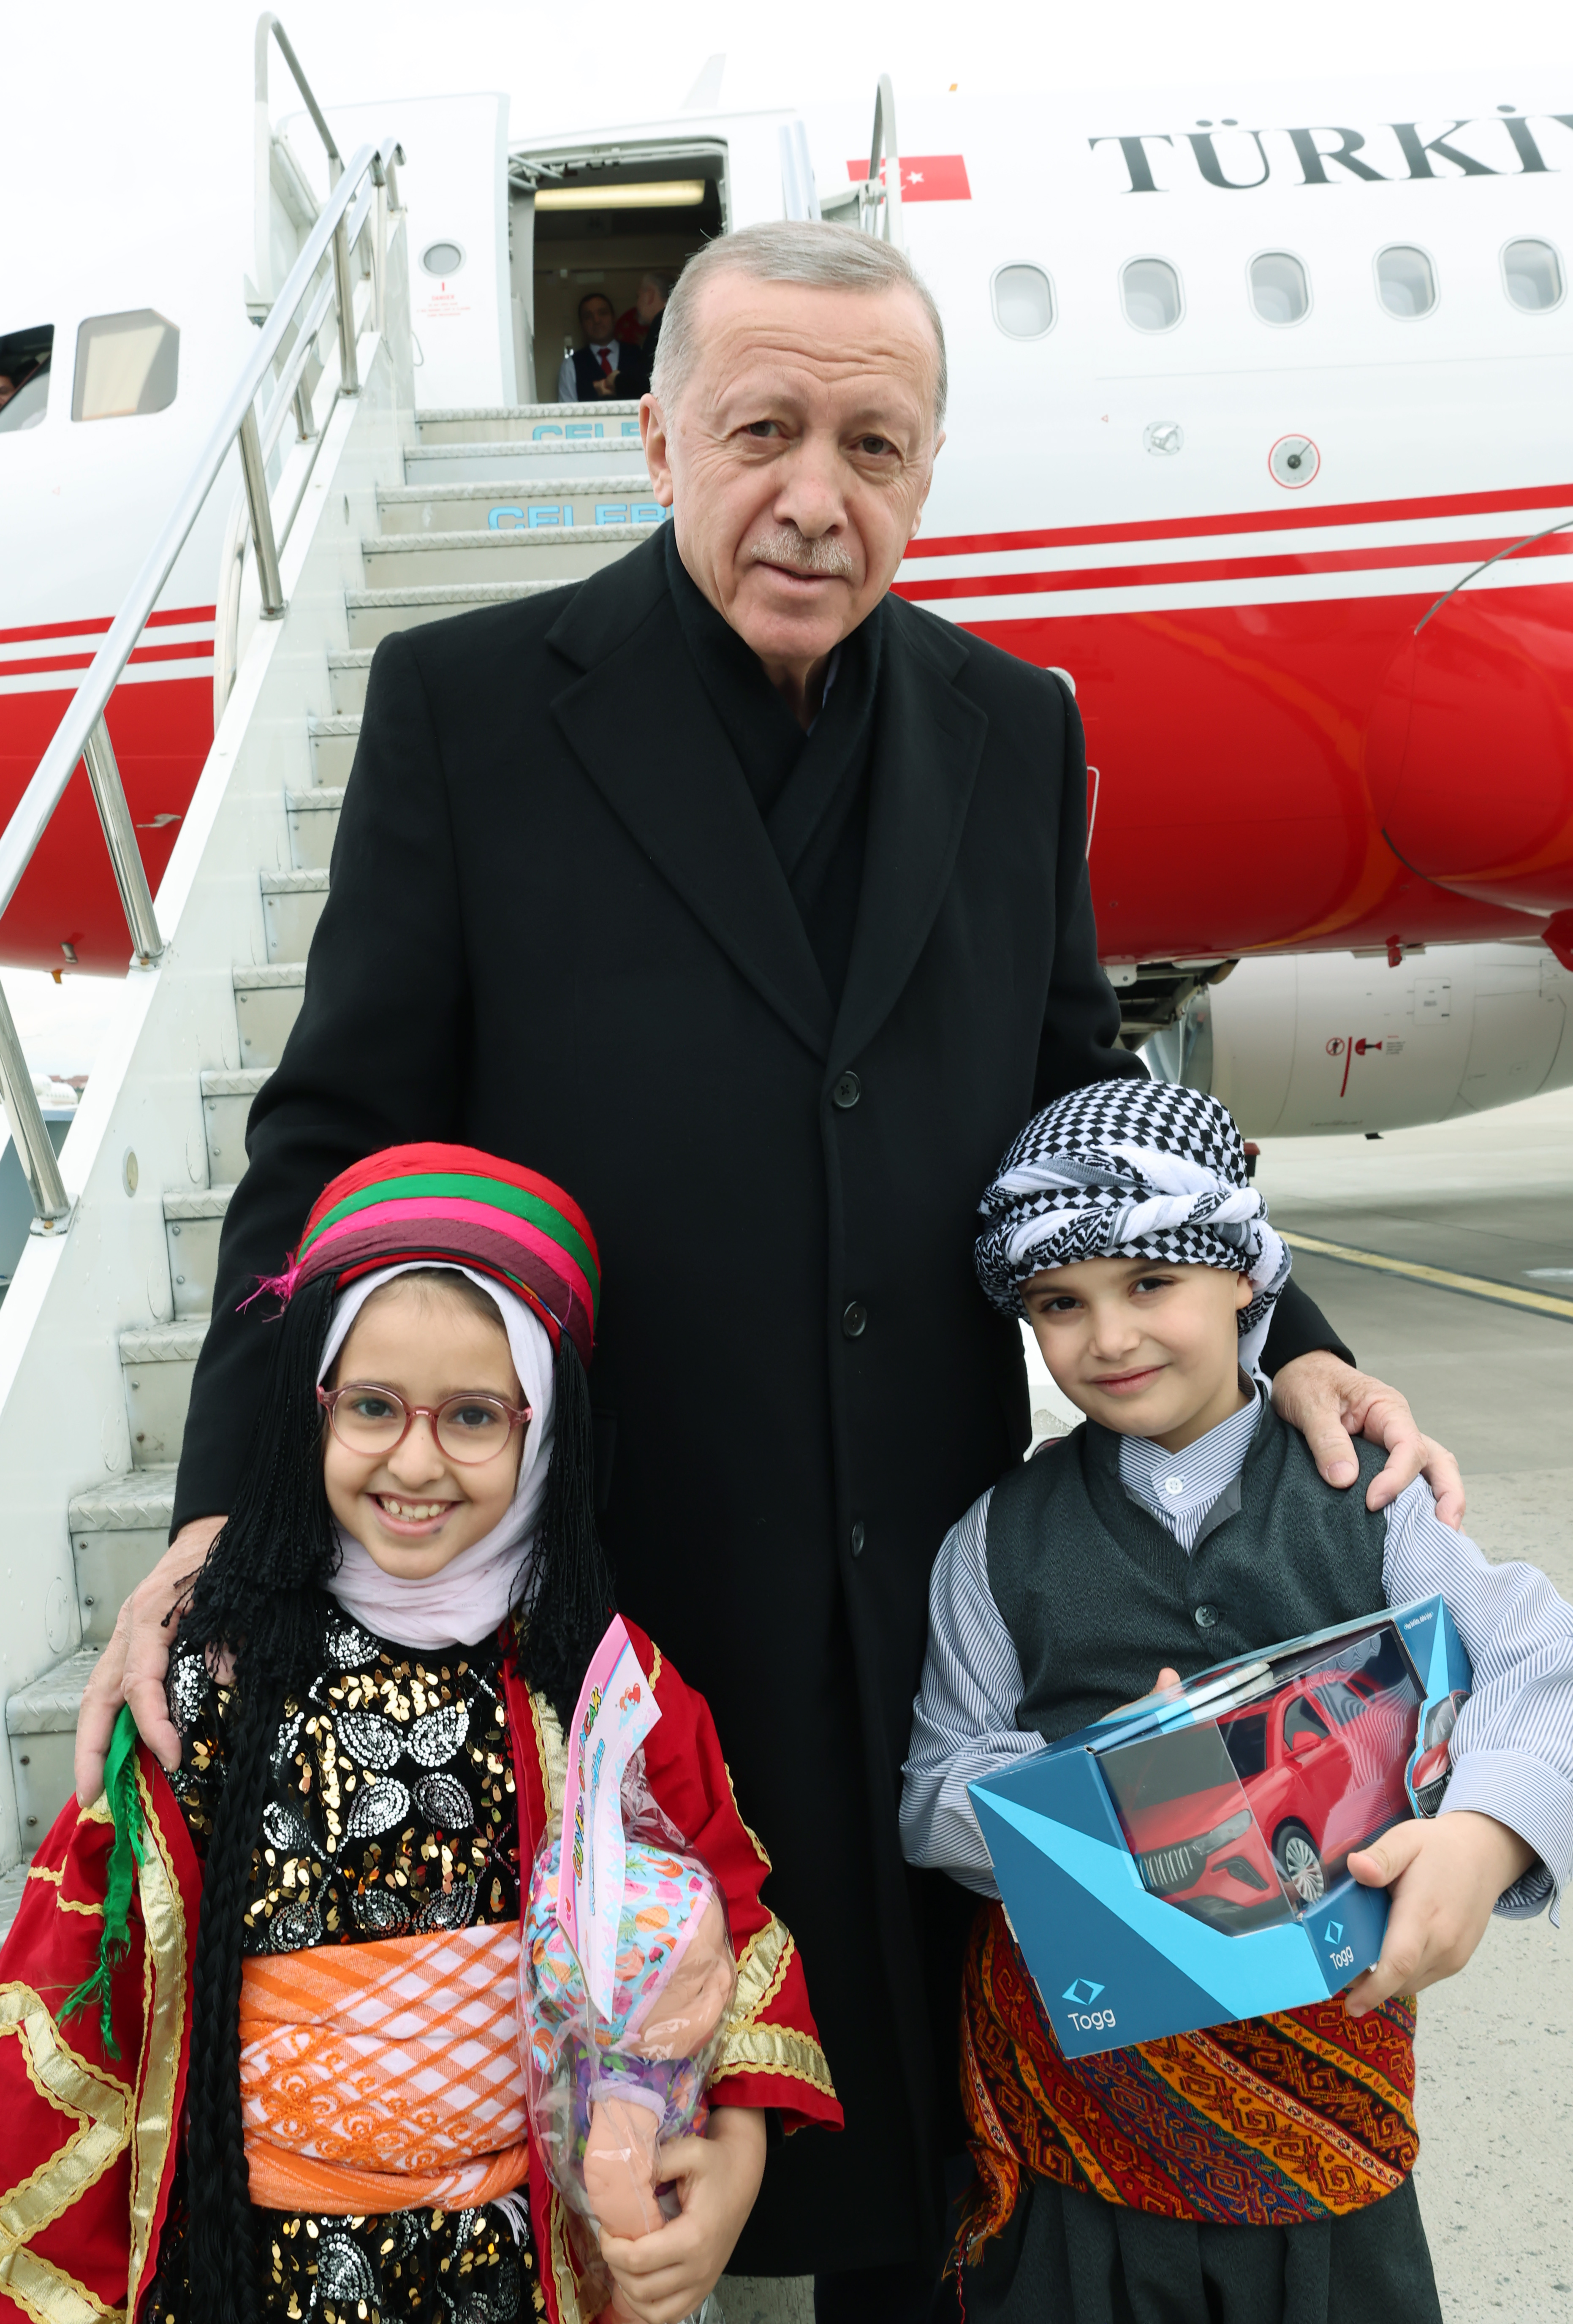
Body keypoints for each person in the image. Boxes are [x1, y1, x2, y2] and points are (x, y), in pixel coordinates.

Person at [77, 221, 1465, 2318]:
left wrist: (1287, 1339)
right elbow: (330, 1140)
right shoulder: (474, 707)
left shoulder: (1010, 728)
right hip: (613, 1587)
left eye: (873, 445)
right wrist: (226, 1503)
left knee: (923, 2166)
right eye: (762, 433)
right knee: (616, 2171)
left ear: (926, 471)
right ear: (659, 441)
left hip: (928, 1581)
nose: (816, 494)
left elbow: (1076, 1094)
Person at [0, 1144, 837, 2324]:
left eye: (475, 1417)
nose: (414, 1459)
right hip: (257, 2266)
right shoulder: (213, 1671)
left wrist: (736, 2151)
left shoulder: (606, 1686)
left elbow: (732, 1922)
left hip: (515, 2264)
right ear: (314, 1406)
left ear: (546, 1433)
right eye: (373, 1406)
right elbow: (86, 1971)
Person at [901, 1079, 1573, 2324]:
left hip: (1326, 2119)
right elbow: (934, 1786)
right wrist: (1099, 1790)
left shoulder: (1366, 1496)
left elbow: (1542, 1666)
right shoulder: (994, 1540)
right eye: (1058, 1303)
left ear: (1244, 1278)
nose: (1107, 1337)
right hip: (1087, 2124)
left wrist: (1483, 1840)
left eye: (1149, 1282)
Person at [557, 291, 649, 403]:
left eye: (603, 313)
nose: (597, 320)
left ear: (614, 317)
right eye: (588, 317)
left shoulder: (637, 354)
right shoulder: (571, 365)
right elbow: (568, 411)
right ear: (582, 324)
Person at [616, 272, 673, 367]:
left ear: (650, 295)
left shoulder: (661, 326)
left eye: (638, 296)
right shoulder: (676, 322)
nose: (637, 304)